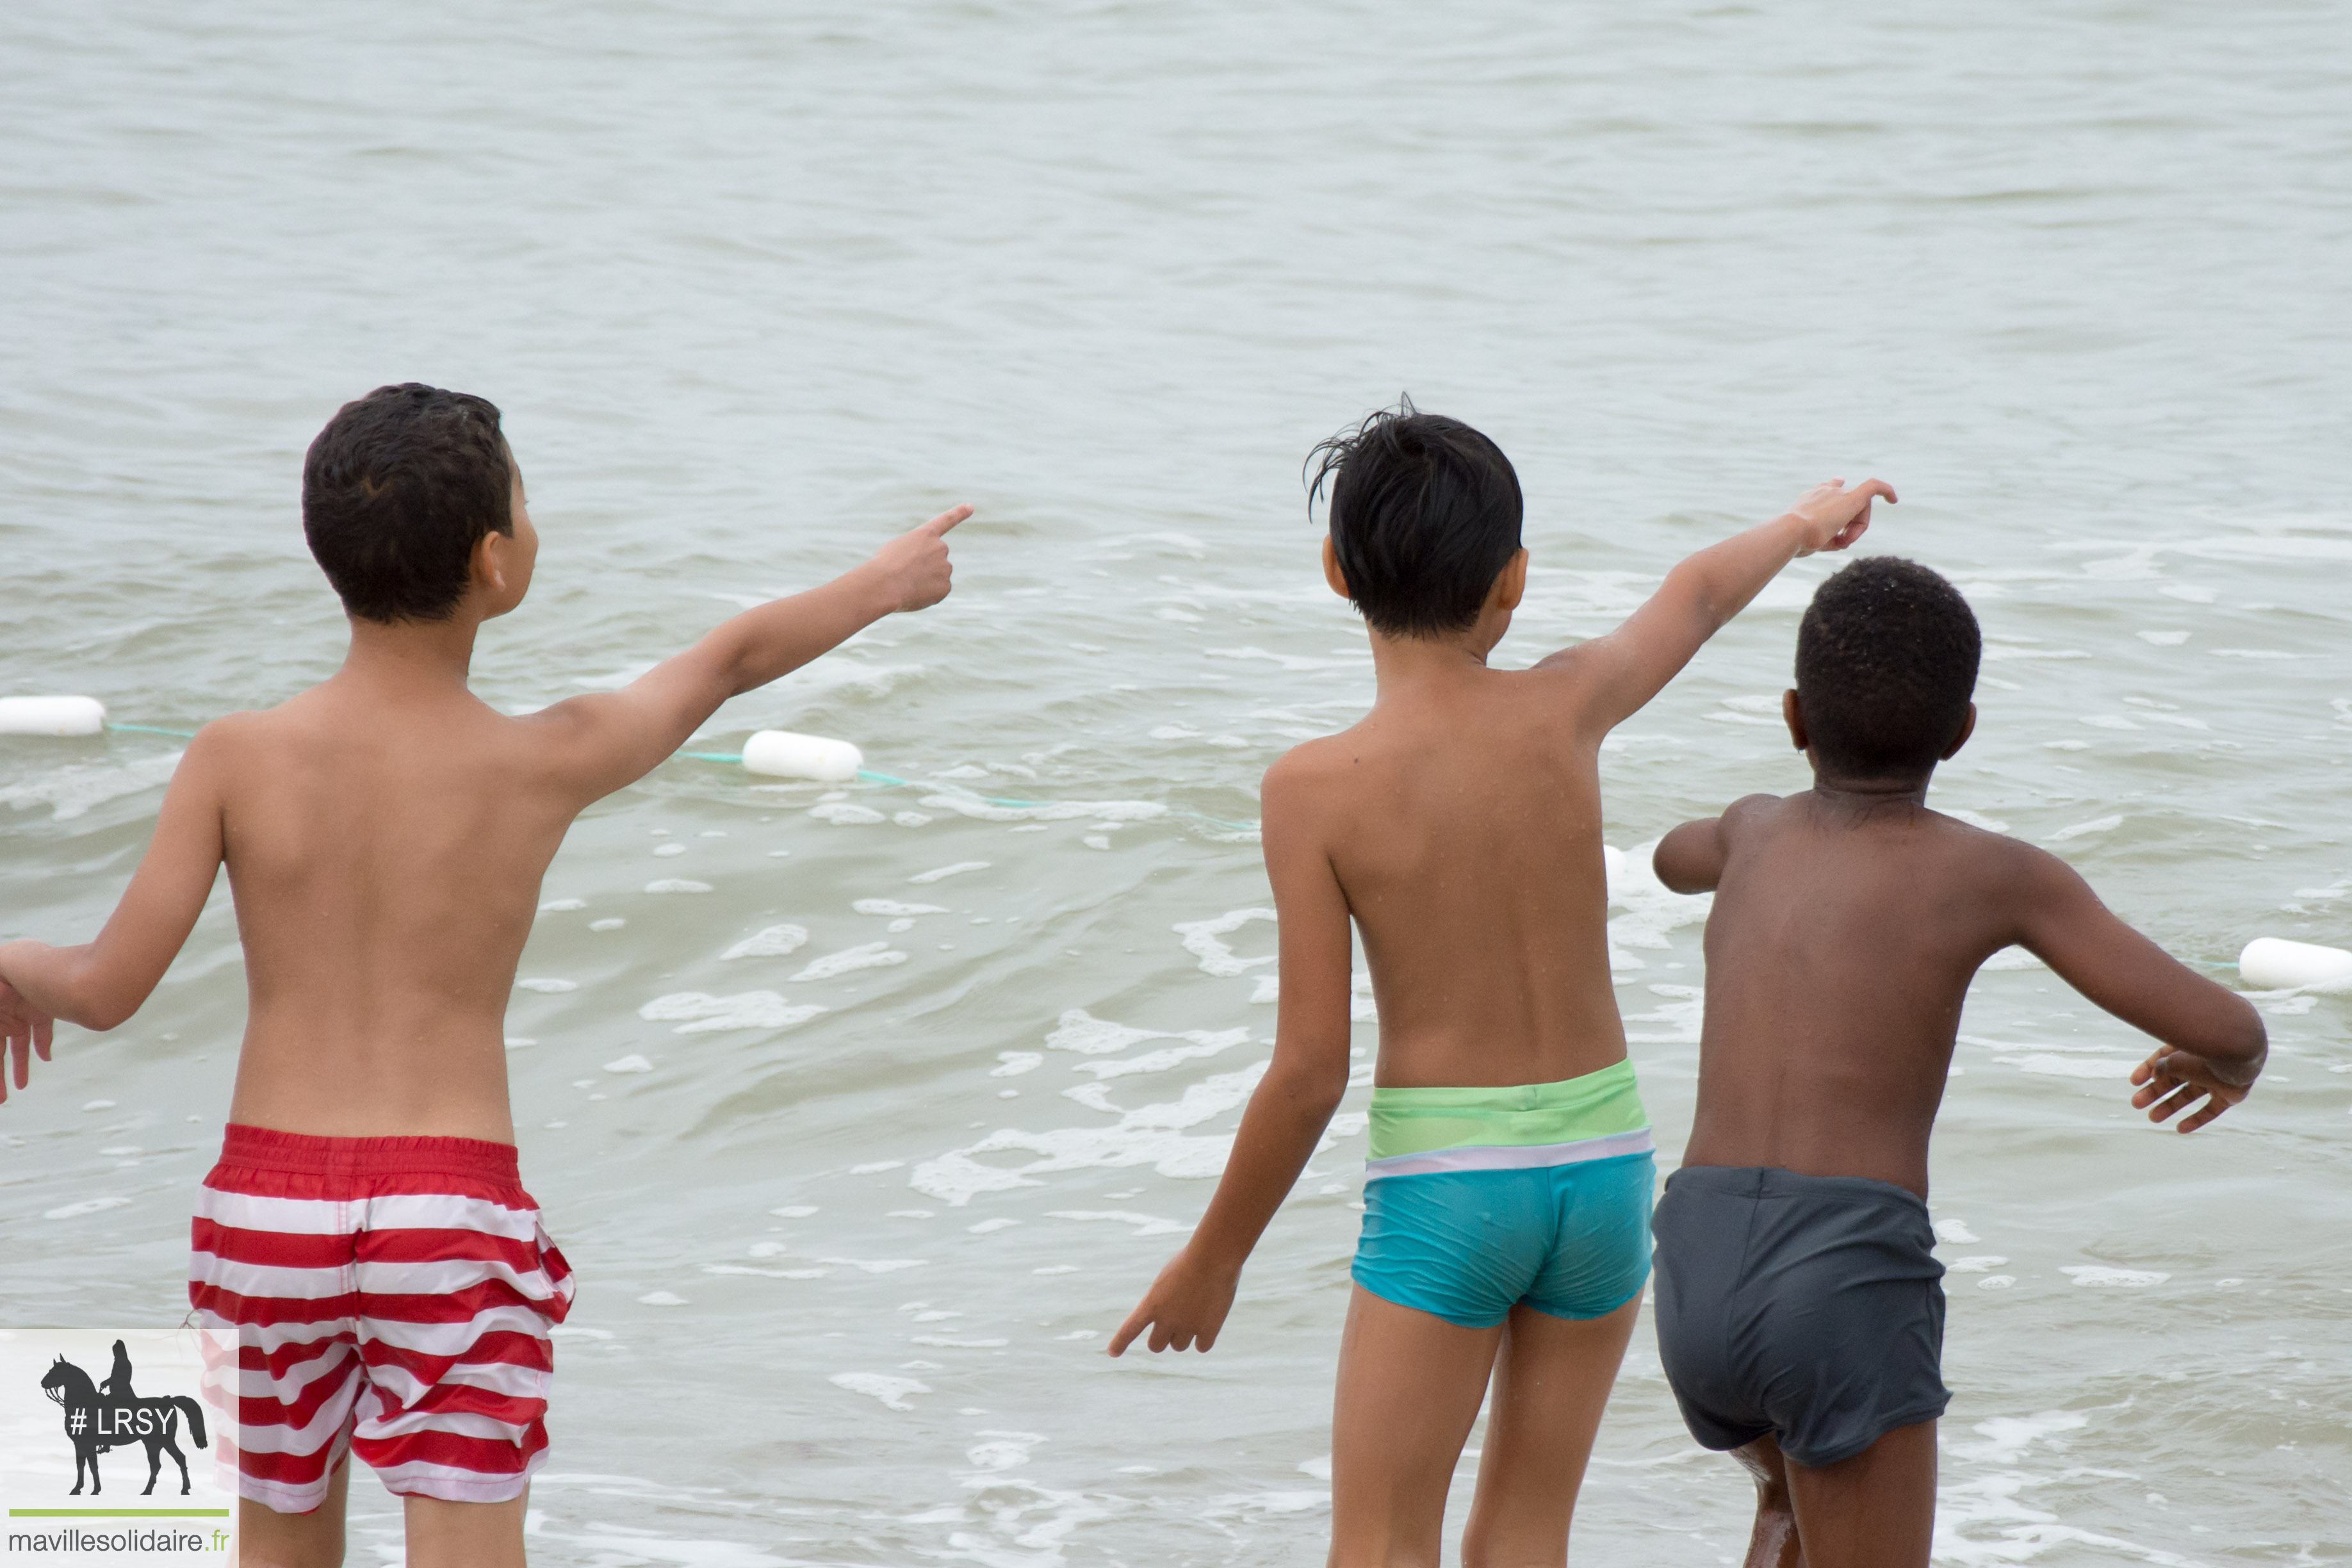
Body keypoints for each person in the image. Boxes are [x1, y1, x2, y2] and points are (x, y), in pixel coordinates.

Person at [0, 383, 969, 1567]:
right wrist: (887, 582)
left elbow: (103, 986)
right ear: (494, 560)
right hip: (447, 1216)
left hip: (264, 1218)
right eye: (528, 502)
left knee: (271, 1546)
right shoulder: (537, 762)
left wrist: (11, 964)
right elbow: (727, 663)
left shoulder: (233, 756)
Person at [1109, 400, 1895, 1566]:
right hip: (1605, 1168)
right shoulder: (1565, 707)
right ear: (1514, 581)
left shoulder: (1313, 790)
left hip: (1451, 1187)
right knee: (1526, 1531)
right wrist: (1800, 522)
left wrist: (1213, 1258)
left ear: (1335, 570)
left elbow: (1310, 1069)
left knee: (1381, 1545)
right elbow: (1695, 598)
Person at [1646, 555, 2266, 1568]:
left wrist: (1729, 839)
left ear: (1796, 718)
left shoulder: (1750, 830)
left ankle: (1784, 1508)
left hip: (1695, 1260)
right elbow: (2228, 1027)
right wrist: (2233, 1063)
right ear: (1963, 730)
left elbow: (1674, 859)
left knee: (1795, 1493)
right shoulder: (1993, 874)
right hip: (1840, 1274)